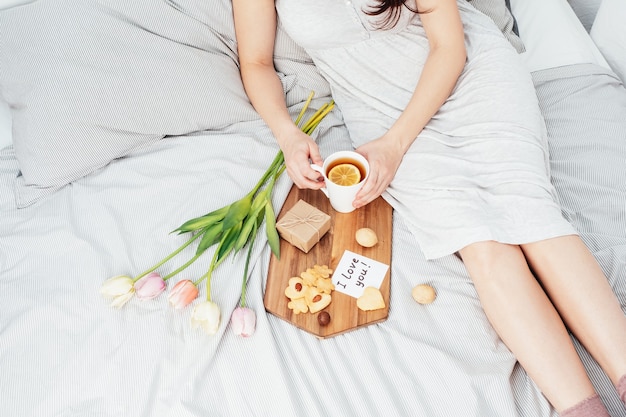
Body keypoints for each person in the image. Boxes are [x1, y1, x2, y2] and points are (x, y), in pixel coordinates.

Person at [232, 0, 626, 415]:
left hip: (462, 77)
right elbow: (256, 62)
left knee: (531, 215)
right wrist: (288, 135)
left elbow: (449, 47)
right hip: (376, 108)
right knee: (480, 242)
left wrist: (394, 146)